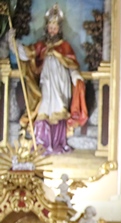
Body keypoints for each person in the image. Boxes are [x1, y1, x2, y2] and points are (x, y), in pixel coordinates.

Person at [8, 4, 88, 155]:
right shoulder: (41, 45)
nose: (52, 30)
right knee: (43, 109)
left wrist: (76, 77)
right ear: (47, 28)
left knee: (59, 109)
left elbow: (72, 65)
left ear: (59, 29)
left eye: (55, 27)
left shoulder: (65, 46)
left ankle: (58, 142)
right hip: (46, 82)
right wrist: (13, 42)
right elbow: (26, 54)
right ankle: (41, 143)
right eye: (50, 27)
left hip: (60, 84)